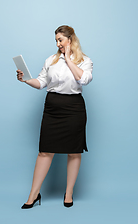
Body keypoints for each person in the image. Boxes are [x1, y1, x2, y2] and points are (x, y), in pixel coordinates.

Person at [16, 25, 93, 209]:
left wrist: (67, 58)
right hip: (52, 108)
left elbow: (84, 80)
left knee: (74, 151)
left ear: (70, 40)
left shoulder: (85, 61)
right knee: (44, 151)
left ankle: (69, 193)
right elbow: (41, 82)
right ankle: (33, 195)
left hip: (74, 108)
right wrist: (26, 79)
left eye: (60, 40)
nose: (58, 44)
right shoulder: (50, 60)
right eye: (56, 40)